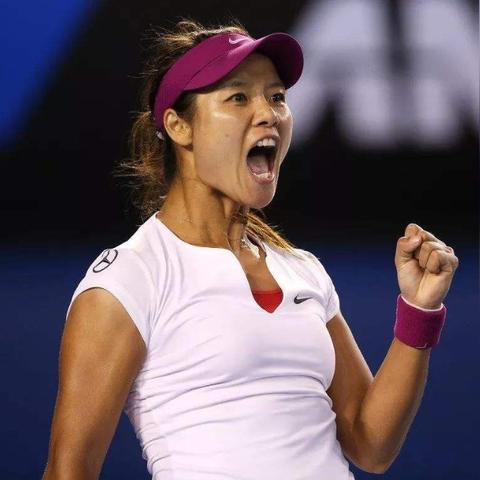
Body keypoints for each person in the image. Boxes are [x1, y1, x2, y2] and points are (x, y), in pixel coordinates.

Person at [42, 19, 459, 480]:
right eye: (238, 98)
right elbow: (69, 471)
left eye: (276, 97)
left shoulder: (302, 270)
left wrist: (419, 310)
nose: (268, 114)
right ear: (179, 127)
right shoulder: (128, 280)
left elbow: (370, 444)